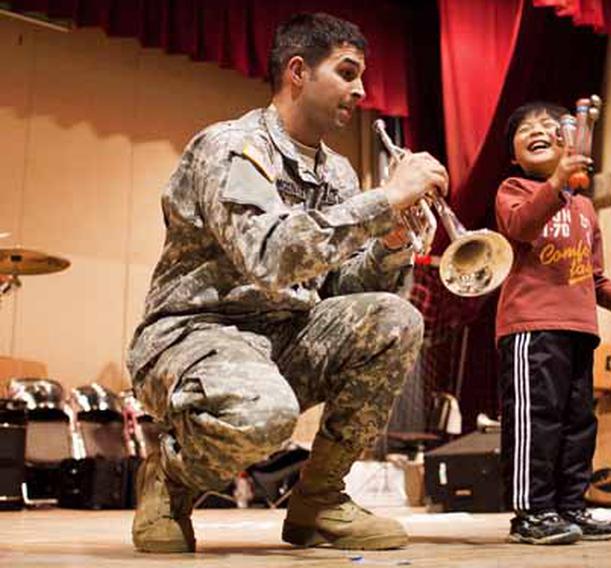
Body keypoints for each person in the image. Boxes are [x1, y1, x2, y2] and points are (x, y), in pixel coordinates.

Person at [127, 13, 448, 553]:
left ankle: (319, 500)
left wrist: (391, 244)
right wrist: (386, 199)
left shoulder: (339, 174)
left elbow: (338, 290)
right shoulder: (230, 146)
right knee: (267, 413)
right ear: (298, 71)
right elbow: (269, 256)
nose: (362, 89)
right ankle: (169, 478)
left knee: (395, 320)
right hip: (196, 333)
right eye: (347, 72)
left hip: (283, 335)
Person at [495, 102, 611, 545]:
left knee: (578, 423)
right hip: (530, 327)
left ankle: (571, 505)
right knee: (537, 420)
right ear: (514, 155)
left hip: (579, 329)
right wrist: (557, 181)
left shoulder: (586, 208)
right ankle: (531, 513)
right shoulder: (511, 188)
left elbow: (593, 276)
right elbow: (520, 225)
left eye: (549, 126)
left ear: (568, 141)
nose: (536, 130)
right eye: (525, 129)